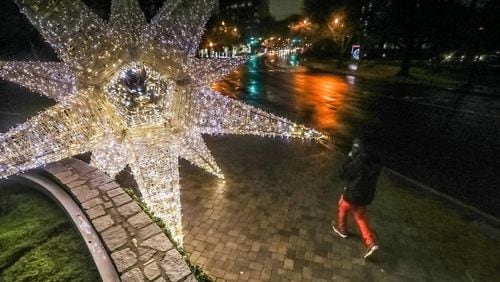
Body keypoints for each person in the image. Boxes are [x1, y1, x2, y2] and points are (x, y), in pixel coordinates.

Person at [332, 138, 382, 259]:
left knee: (342, 207)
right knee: (360, 217)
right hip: (365, 197)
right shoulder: (377, 163)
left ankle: (342, 230)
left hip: (352, 195)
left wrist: (350, 156)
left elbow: (342, 173)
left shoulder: (359, 162)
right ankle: (371, 243)